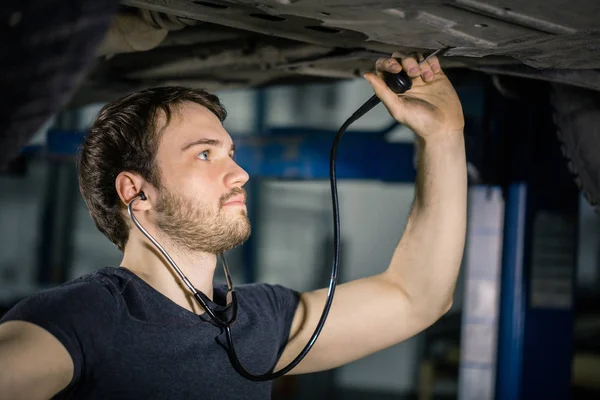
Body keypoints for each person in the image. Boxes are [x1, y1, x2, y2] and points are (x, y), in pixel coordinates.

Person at [0, 53, 466, 399]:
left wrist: (443, 136)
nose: (240, 174)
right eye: (205, 154)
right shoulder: (81, 319)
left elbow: (417, 297)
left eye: (231, 154)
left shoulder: (257, 324)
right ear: (135, 191)